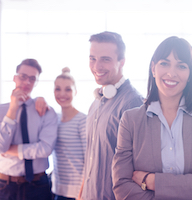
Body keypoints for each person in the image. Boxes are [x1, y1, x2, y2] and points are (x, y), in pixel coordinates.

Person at [112, 36, 192, 200]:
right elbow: (122, 188)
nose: (171, 73)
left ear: (189, 74)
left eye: (181, 66)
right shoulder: (130, 120)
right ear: (153, 68)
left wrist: (151, 181)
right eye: (164, 64)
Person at [78, 31, 143, 200]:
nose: (96, 66)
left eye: (105, 59)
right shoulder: (96, 103)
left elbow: (140, 168)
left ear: (122, 62)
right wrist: (81, 194)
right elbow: (90, 160)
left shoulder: (133, 103)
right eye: (92, 58)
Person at [0, 58, 58, 200]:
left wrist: (12, 150)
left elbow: (45, 149)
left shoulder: (46, 111)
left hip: (38, 185)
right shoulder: (1, 111)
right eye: (23, 77)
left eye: (32, 79)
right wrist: (13, 109)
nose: (27, 82)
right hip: (5, 185)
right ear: (15, 78)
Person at [51, 67, 86, 200]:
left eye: (68, 89)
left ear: (75, 92)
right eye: (58, 89)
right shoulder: (54, 119)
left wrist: (82, 193)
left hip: (76, 192)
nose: (62, 94)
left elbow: (90, 161)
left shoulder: (82, 120)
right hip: (57, 189)